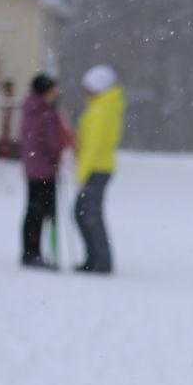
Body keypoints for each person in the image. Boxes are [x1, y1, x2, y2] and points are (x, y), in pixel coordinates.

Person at [74, 63, 123, 274]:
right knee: (85, 213)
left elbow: (93, 146)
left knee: (89, 215)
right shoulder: (102, 106)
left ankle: (100, 261)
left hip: (97, 169)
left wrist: (81, 172)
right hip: (99, 167)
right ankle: (94, 258)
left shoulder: (101, 110)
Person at [20, 72, 73, 268]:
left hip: (32, 168)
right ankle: (41, 253)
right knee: (44, 212)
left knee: (32, 212)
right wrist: (59, 149)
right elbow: (54, 142)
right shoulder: (47, 114)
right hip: (45, 170)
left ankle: (30, 252)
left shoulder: (30, 109)